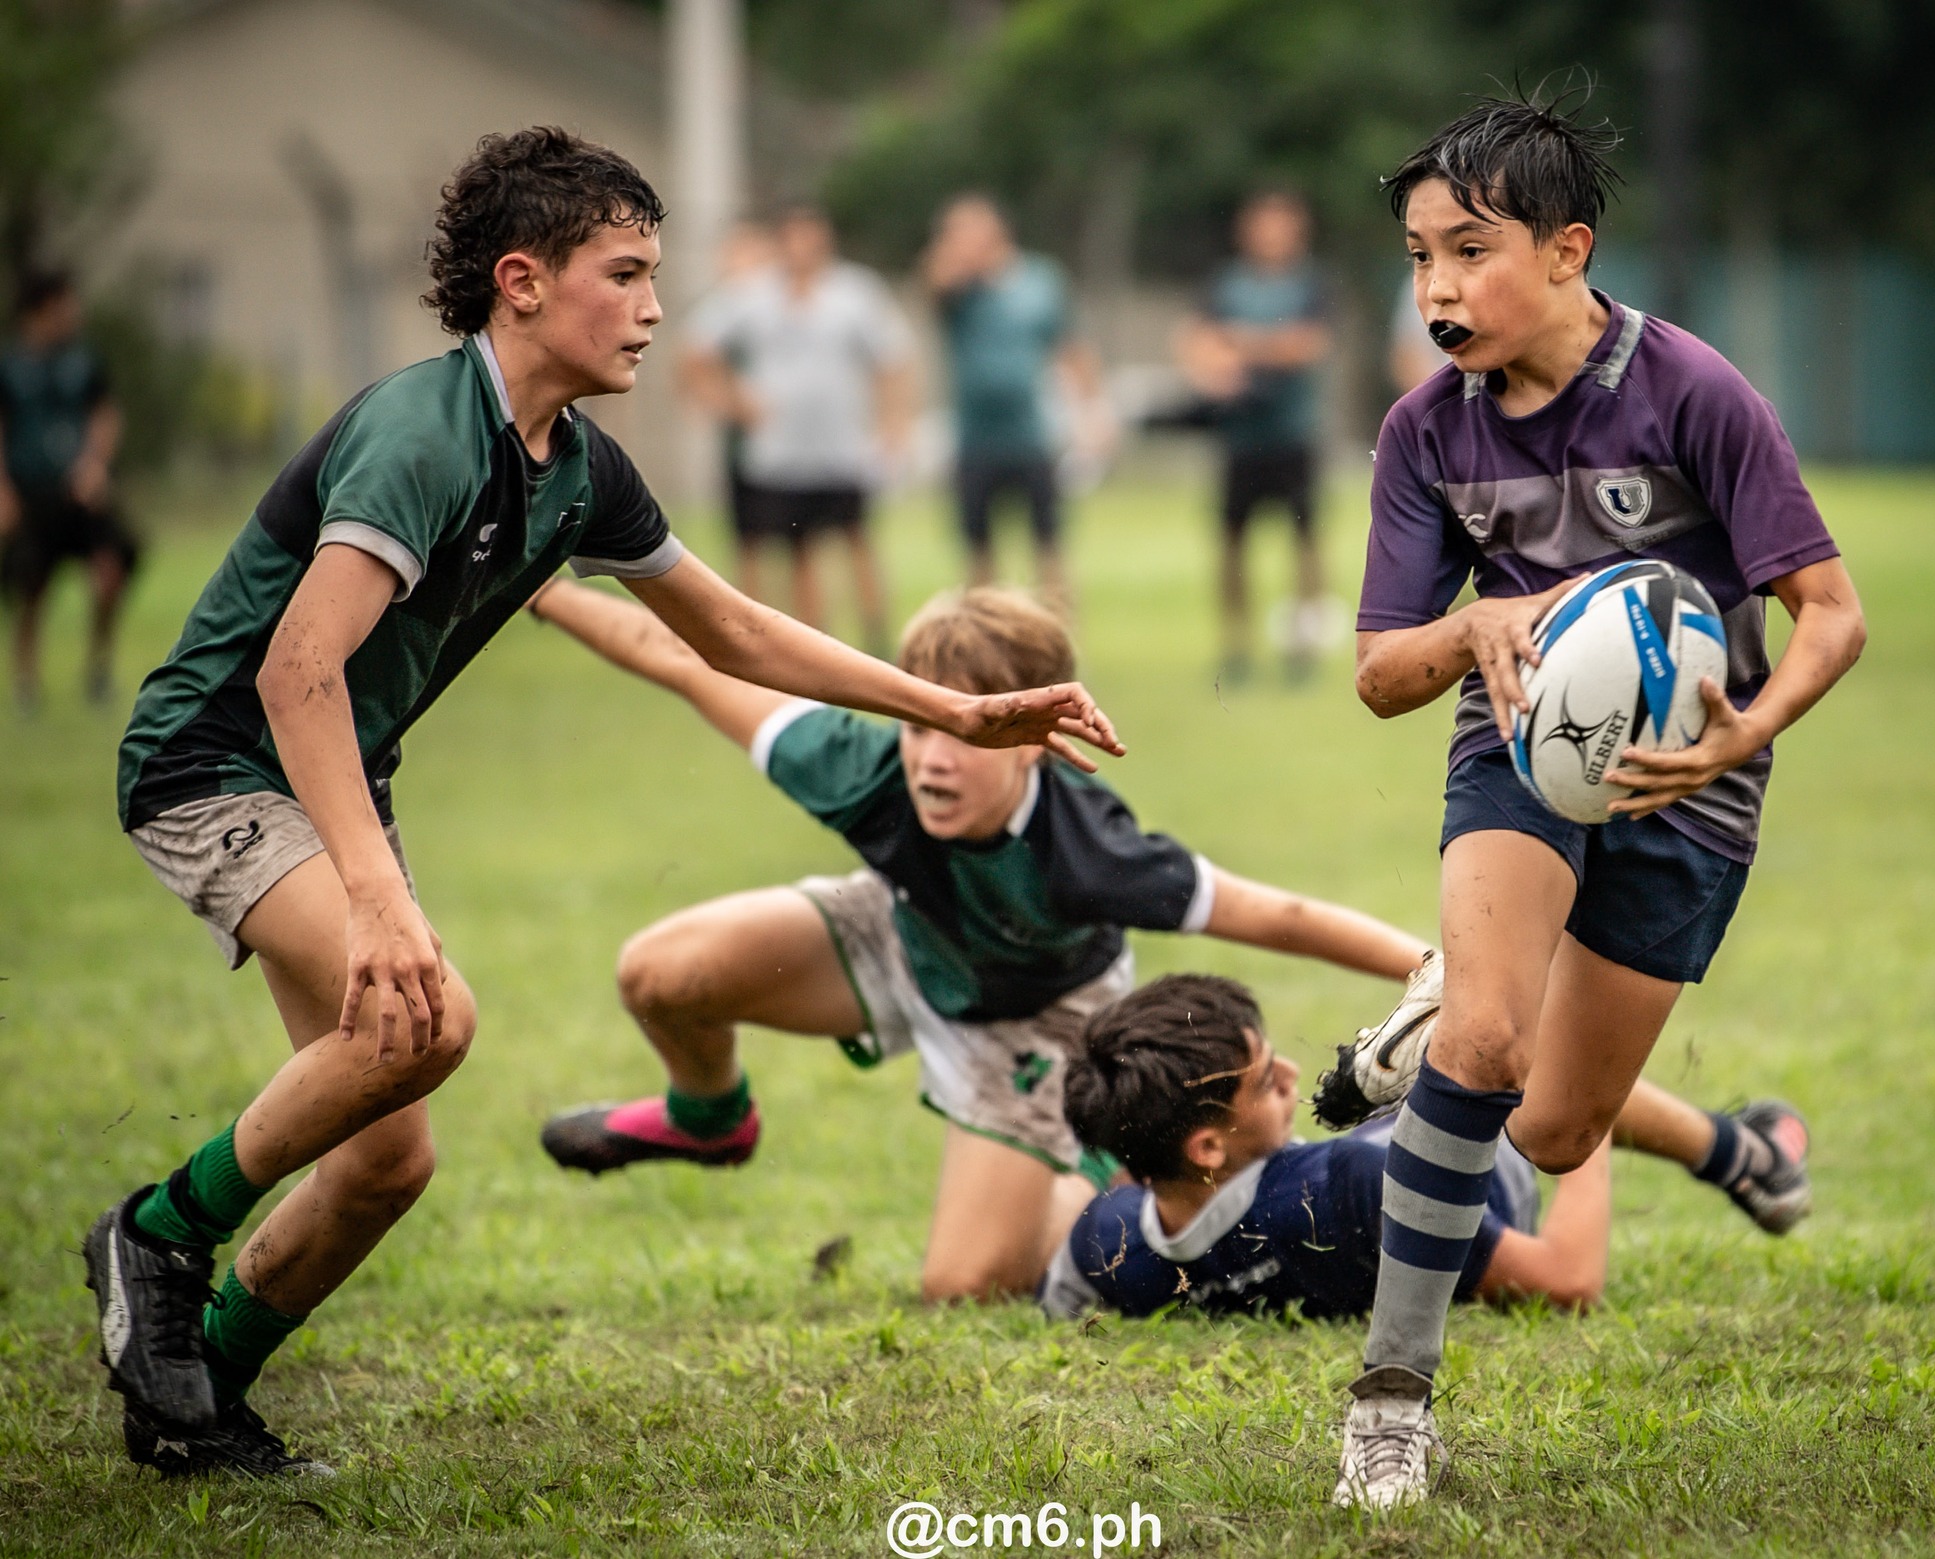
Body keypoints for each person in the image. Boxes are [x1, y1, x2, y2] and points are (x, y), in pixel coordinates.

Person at [89, 127, 1121, 1481]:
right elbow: (296, 670)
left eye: (655, 275)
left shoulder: (579, 463)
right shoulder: (418, 434)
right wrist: (380, 892)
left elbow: (737, 630)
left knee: (386, 1160)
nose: (653, 307)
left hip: (333, 769)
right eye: (625, 274)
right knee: (430, 1015)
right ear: (521, 280)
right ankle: (155, 1235)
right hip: (217, 764)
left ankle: (192, 1395)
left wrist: (956, 708)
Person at [1334, 92, 1865, 1509]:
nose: (1440, 287)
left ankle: (1450, 1013)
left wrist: (1735, 733)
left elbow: (1830, 612)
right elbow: (1385, 670)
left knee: (1557, 1129)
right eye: (1417, 257)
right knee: (1493, 1039)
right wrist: (1480, 628)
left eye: (1472, 250)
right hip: (1512, 749)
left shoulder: (1691, 390)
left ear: (1568, 249)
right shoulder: (1424, 434)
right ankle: (1391, 1396)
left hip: (1688, 781)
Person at [528, 579, 1431, 1301]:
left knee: (962, 1285)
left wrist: (1433, 971)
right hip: (902, 930)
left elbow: (1280, 916)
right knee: (660, 973)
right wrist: (535, 586)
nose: (934, 756)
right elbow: (680, 656)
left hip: (1038, 1018)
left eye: (974, 728)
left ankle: (1098, 1170)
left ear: (1040, 735)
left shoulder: (1086, 850)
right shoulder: (863, 766)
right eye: (921, 720)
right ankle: (710, 1120)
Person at [1043, 973, 1811, 1323]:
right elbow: (1568, 1279)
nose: (1286, 1071)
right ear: (1208, 1144)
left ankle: (1739, 1151)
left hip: (1350, 1165)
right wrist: (1589, 1119)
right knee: (1527, 1053)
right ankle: (1738, 1153)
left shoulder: (1103, 1243)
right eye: (1265, 1080)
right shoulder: (1356, 1182)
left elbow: (1063, 1304)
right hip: (1470, 1172)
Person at [685, 205, 912, 652]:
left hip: (842, 449)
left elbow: (893, 359)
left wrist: (892, 424)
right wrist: (730, 403)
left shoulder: (855, 293)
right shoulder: (752, 295)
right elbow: (695, 350)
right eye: (793, 238)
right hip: (779, 454)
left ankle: (878, 637)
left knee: (857, 540)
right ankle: (813, 643)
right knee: (798, 549)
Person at [1174, 192, 1332, 682]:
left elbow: (1309, 345)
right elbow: (1197, 342)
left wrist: (1241, 344)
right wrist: (1213, 365)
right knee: (1231, 544)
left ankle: (1302, 646)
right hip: (1239, 437)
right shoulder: (1226, 284)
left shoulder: (1311, 283)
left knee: (1304, 541)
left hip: (1293, 434)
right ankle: (1237, 648)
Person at [922, 196, 1105, 608]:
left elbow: (1070, 346)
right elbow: (933, 283)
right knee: (978, 551)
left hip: (1031, 435)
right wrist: (961, 261)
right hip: (974, 438)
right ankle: (986, 650)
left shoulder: (1039, 280)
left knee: (1049, 544)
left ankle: (1061, 642)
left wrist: (1093, 414)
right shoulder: (957, 288)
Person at [0, 270, 135, 710]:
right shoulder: (10, 366)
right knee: (31, 586)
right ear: (41, 310)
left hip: (81, 494)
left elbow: (106, 414)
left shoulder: (83, 361)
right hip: (31, 494)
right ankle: (26, 681)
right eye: (65, 305)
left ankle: (97, 670)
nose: (73, 314)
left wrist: (95, 463)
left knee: (111, 569)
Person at [682, 220, 775, 599]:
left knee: (802, 543)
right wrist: (728, 405)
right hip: (747, 444)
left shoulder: (775, 303)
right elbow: (692, 359)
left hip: (795, 445)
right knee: (749, 539)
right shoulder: (724, 309)